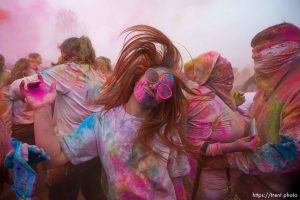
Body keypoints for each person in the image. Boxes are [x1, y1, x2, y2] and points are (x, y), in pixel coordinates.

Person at [21, 24, 192, 200]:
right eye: (153, 77)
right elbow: (54, 158)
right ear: (139, 76)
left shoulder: (167, 130)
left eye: (164, 89)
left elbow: (178, 180)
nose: (154, 86)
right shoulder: (103, 121)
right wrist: (41, 109)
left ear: (164, 99)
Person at [203, 22, 300, 199]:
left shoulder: (296, 90)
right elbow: (255, 121)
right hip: (252, 189)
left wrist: (230, 160)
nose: (255, 59)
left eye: (261, 52)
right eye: (254, 54)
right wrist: (235, 116)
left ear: (285, 52)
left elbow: (292, 152)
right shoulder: (266, 88)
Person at [10, 37, 105, 200]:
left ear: (67, 54)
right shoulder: (100, 76)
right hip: (94, 150)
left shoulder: (68, 71)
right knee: (94, 191)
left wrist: (26, 96)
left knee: (62, 195)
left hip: (66, 153)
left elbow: (17, 87)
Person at [184, 51, 259, 199]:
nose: (230, 76)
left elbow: (228, 121)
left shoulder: (220, 96)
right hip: (207, 186)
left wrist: (238, 109)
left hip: (225, 181)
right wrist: (234, 146)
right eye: (225, 72)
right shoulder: (203, 101)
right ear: (211, 74)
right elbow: (193, 146)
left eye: (230, 71)